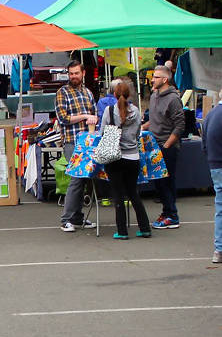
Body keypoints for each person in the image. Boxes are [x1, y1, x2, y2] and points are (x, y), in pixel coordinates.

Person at [100, 82, 151, 239]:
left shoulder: (109, 111)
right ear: (130, 95)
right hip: (133, 157)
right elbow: (137, 134)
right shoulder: (136, 111)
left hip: (115, 157)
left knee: (118, 195)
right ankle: (144, 228)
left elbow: (102, 132)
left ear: (114, 95)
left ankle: (121, 231)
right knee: (133, 193)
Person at [55, 60, 98, 232]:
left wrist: (91, 117)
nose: (73, 76)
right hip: (72, 142)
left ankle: (77, 217)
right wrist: (85, 115)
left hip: (87, 143)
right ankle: (66, 219)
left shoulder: (88, 92)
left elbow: (94, 115)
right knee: (76, 178)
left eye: (76, 73)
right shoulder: (62, 93)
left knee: (84, 180)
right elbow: (63, 118)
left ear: (83, 74)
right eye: (71, 73)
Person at [143, 64, 185, 229]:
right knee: (159, 183)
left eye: (156, 76)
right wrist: (143, 127)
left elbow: (180, 126)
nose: (152, 79)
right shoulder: (154, 96)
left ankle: (172, 216)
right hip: (153, 145)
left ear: (165, 79)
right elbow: (155, 119)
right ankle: (167, 212)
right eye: (153, 76)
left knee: (166, 181)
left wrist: (166, 146)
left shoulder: (174, 99)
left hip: (166, 146)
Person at [203, 89, 222, 263]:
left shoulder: (210, 115)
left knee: (220, 209)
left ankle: (219, 249)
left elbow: (204, 143)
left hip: (214, 164)